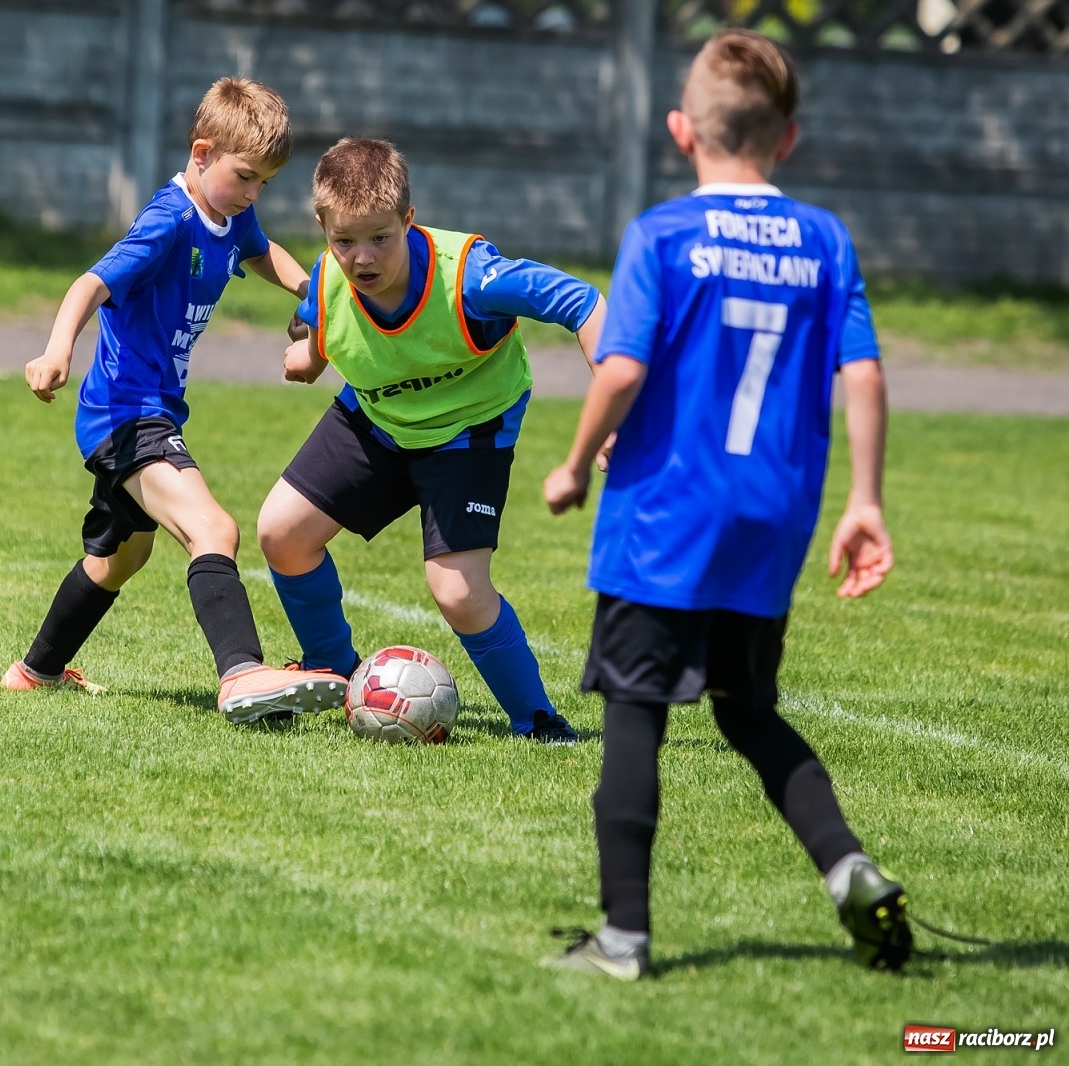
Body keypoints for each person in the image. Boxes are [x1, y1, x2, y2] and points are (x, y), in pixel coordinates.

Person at [541, 29, 910, 980]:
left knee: (634, 713)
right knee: (749, 713)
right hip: (769, 522)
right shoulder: (825, 239)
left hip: (664, 516)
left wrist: (577, 460)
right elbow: (861, 373)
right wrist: (864, 500)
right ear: (787, 138)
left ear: (679, 131)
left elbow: (621, 367)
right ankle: (849, 868)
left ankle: (622, 940)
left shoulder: (663, 236)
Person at [5, 77, 349, 723]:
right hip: (126, 415)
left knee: (119, 560)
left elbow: (257, 248)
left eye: (264, 185)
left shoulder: (229, 212)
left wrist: (312, 295)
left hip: (145, 411)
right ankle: (242, 675)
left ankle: (32, 673)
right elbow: (89, 284)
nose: (252, 194)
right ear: (201, 152)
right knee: (214, 529)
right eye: (245, 176)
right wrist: (57, 352)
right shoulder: (167, 221)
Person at [256, 137, 605, 743]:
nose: (362, 258)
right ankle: (335, 673)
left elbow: (584, 302)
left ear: (408, 220)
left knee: (458, 592)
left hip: (469, 431)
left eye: (380, 238)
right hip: (378, 419)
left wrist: (615, 411)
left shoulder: (471, 278)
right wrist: (304, 360)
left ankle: (538, 722)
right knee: (282, 533)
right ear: (323, 228)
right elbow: (317, 341)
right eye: (344, 241)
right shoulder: (327, 279)